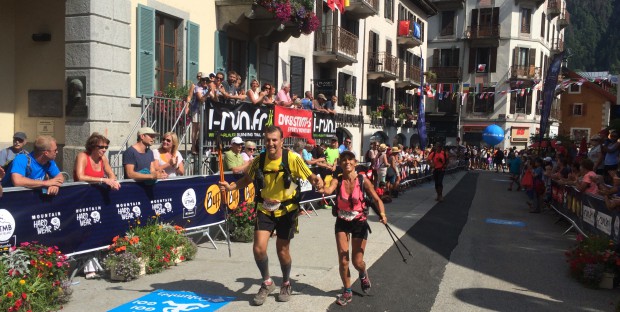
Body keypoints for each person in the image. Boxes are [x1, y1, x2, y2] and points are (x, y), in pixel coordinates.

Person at [218, 125, 324, 306]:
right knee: (258, 248)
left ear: (282, 141)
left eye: (275, 140)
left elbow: (309, 176)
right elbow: (247, 180)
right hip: (265, 208)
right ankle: (267, 282)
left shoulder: (292, 159)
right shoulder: (259, 160)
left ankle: (286, 282)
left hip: (287, 210)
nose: (271, 143)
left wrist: (317, 181)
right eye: (268, 140)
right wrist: (231, 187)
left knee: (282, 250)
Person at [320, 150, 386, 306]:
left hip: (359, 222)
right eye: (344, 159)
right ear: (340, 163)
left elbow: (377, 199)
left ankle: (362, 273)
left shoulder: (363, 180)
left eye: (350, 160)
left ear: (355, 163)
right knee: (343, 260)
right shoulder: (338, 180)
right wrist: (321, 187)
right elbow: (328, 190)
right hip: (342, 221)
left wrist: (382, 214)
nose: (347, 162)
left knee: (357, 262)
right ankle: (347, 291)